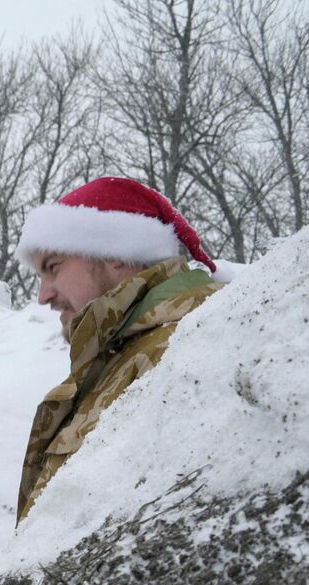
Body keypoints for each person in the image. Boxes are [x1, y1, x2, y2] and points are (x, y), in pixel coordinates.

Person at [13, 176, 223, 521]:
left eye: (53, 268)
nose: (43, 294)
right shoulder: (116, 358)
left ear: (114, 253)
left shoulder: (185, 349)